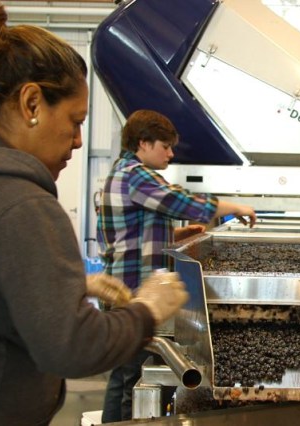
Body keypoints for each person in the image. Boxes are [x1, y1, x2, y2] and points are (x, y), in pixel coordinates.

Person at [0, 0, 190, 424]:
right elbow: (73, 347)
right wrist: (149, 308)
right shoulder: (18, 201)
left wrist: (59, 284)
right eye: (75, 120)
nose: (79, 141)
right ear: (31, 104)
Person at [96, 109, 257, 422]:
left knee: (122, 375)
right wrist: (233, 205)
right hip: (133, 295)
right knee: (132, 380)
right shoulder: (136, 175)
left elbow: (132, 233)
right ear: (143, 143)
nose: (170, 153)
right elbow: (178, 201)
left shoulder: (122, 173)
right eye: (164, 146)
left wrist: (177, 233)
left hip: (120, 291)